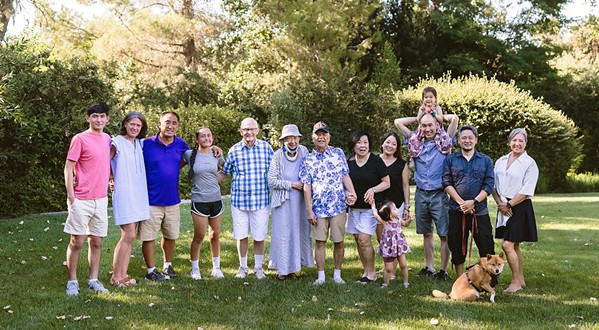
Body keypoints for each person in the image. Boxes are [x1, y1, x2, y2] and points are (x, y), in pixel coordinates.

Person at [394, 107, 459, 281]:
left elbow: (455, 119)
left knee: (444, 233)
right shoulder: (414, 141)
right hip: (421, 194)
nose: (427, 129)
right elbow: (398, 123)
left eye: (430, 125)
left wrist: (438, 115)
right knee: (426, 233)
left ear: (437, 125)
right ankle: (429, 267)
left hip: (439, 194)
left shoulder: (445, 140)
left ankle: (443, 270)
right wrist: (418, 118)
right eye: (424, 126)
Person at [299, 121, 357, 285]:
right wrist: (309, 210)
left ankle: (337, 275)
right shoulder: (308, 159)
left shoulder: (338, 153)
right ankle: (321, 276)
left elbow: (345, 176)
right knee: (320, 242)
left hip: (338, 206)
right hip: (318, 209)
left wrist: (352, 193)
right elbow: (306, 187)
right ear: (313, 137)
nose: (321, 137)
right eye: (318, 134)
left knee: (339, 241)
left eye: (324, 134)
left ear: (329, 136)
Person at [63, 101, 112, 295]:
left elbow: (105, 163)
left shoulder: (108, 139)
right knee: (77, 242)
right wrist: (71, 196)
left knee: (97, 242)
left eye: (102, 116)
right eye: (95, 116)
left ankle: (93, 279)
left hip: (100, 199)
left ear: (107, 118)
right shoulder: (80, 139)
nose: (98, 119)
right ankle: (72, 281)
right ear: (88, 118)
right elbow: (68, 167)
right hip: (81, 198)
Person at [140, 111, 190, 281]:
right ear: (159, 124)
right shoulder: (145, 144)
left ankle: (167, 266)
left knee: (170, 235)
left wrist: (214, 148)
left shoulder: (181, 144)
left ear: (177, 126)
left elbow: (195, 156)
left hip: (172, 200)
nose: (170, 126)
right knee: (149, 236)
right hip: (150, 200)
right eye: (167, 122)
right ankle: (151, 270)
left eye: (174, 123)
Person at [221, 118, 274, 279]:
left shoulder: (266, 148)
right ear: (240, 131)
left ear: (257, 130)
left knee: (259, 236)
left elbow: (276, 170)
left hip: (261, 200)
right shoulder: (234, 150)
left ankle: (258, 268)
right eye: (246, 129)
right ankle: (243, 267)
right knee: (241, 235)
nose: (249, 132)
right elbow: (224, 172)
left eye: (252, 129)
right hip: (240, 201)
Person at [442, 125, 495, 277]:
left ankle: (489, 279)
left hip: (480, 211)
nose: (467, 140)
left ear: (476, 140)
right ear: (458, 140)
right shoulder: (450, 160)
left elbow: (489, 184)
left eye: (470, 137)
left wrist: (473, 202)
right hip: (456, 210)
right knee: (457, 245)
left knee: (486, 244)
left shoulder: (485, 160)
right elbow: (446, 182)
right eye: (463, 138)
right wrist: (462, 203)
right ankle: (460, 279)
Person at [492, 128, 539, 293]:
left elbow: (527, 190)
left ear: (525, 143)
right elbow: (493, 185)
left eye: (521, 141)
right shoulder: (500, 161)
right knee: (515, 245)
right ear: (509, 142)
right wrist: (500, 203)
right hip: (503, 206)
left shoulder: (529, 163)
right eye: (514, 140)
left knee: (507, 245)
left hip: (519, 206)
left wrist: (509, 205)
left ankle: (515, 282)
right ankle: (521, 279)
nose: (517, 143)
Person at [267, 124, 314, 280]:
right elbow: (272, 180)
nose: (292, 141)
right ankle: (282, 270)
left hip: (300, 200)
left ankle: (294, 268)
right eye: (288, 138)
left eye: (295, 137)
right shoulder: (277, 155)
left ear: (299, 138)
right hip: (283, 201)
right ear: (283, 140)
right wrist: (291, 185)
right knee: (283, 234)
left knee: (298, 233)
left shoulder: (305, 151)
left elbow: (310, 170)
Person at [109, 111, 150, 287]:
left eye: (138, 125)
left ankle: (123, 275)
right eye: (131, 124)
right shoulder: (116, 142)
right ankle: (115, 277)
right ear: (125, 124)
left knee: (130, 237)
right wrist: (109, 179)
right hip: (124, 193)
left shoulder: (140, 144)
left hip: (138, 193)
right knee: (128, 234)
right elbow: (104, 163)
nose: (134, 127)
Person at [347, 130, 390, 284]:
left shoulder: (376, 161)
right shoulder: (349, 162)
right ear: (353, 145)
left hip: (370, 208)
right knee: (358, 240)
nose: (362, 145)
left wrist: (373, 189)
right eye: (359, 142)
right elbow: (344, 182)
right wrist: (347, 194)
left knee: (365, 239)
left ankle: (371, 273)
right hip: (353, 209)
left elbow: (387, 182)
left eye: (365, 142)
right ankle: (366, 271)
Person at [183, 126, 225, 280]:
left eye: (209, 136)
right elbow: (175, 166)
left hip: (216, 200)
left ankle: (216, 268)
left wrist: (220, 178)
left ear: (212, 138)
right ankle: (195, 269)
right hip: (199, 201)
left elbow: (226, 168)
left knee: (215, 236)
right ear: (197, 139)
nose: (206, 138)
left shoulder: (217, 155)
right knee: (199, 236)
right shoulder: (189, 155)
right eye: (203, 136)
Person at [378, 132, 410, 263]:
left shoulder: (401, 164)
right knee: (382, 238)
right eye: (388, 142)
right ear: (382, 143)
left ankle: (392, 271)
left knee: (394, 238)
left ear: (397, 148)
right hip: (380, 205)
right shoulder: (375, 160)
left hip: (396, 205)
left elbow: (406, 186)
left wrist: (407, 207)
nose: (390, 145)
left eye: (394, 144)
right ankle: (387, 266)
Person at [371, 200, 412, 289]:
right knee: (388, 268)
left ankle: (406, 282)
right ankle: (386, 283)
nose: (397, 209)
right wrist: (373, 205)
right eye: (394, 208)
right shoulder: (385, 222)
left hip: (399, 245)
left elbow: (405, 224)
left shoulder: (398, 219)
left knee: (403, 265)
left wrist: (409, 221)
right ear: (389, 214)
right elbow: (375, 215)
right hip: (389, 247)